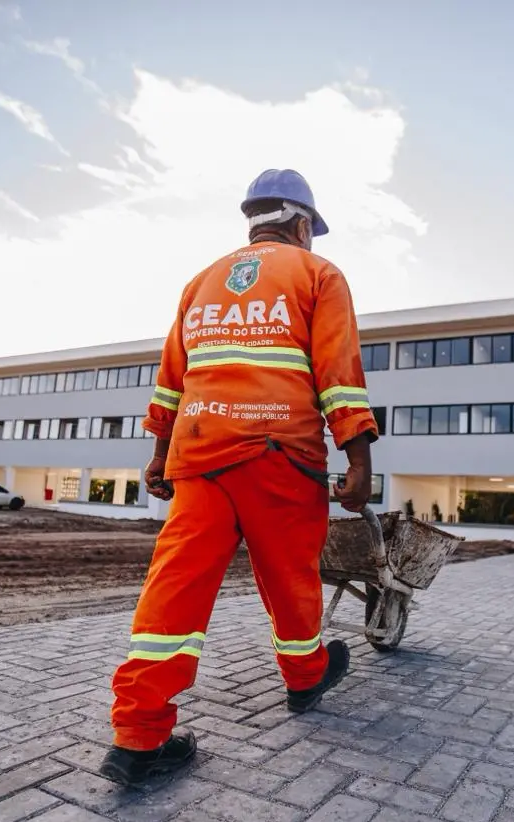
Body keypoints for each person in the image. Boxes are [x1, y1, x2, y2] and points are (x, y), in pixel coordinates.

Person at [97, 169, 380, 786]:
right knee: (290, 577)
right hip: (280, 453)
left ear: (253, 221)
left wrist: (157, 454)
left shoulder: (200, 281)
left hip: (199, 454)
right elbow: (338, 372)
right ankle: (306, 679)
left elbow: (172, 376)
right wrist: (359, 461)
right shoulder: (318, 273)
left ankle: (138, 736)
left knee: (175, 587)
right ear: (302, 223)